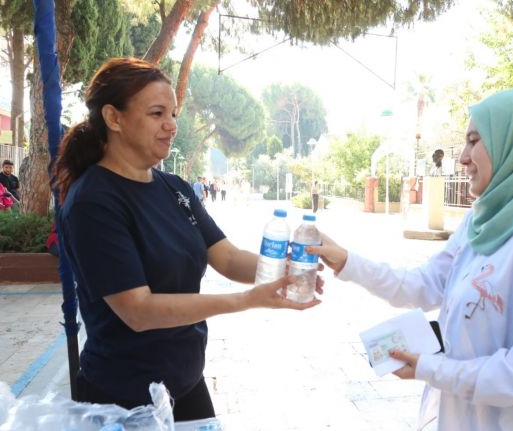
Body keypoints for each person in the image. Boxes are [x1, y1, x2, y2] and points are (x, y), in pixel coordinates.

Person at [310, 87, 513, 430]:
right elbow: (425, 284)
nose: (462, 157)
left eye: (475, 141)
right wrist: (347, 261)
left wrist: (430, 368)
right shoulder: (481, 226)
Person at [53, 57, 322, 421]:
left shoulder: (175, 188)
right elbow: (138, 311)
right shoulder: (94, 201)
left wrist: (287, 271)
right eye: (157, 113)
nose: (171, 126)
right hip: (123, 396)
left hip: (184, 382)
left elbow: (226, 257)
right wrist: (246, 300)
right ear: (114, 118)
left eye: (174, 114)